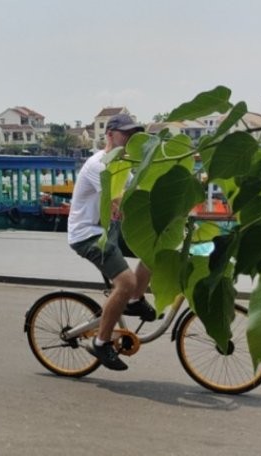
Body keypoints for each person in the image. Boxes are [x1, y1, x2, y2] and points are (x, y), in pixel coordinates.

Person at [67, 113, 156, 371]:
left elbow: (137, 196)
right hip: (88, 234)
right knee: (126, 282)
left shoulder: (123, 165)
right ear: (109, 135)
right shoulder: (99, 165)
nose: (129, 139)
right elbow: (121, 202)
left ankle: (133, 300)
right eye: (125, 134)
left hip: (110, 229)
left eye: (133, 135)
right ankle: (101, 341)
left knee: (154, 247)